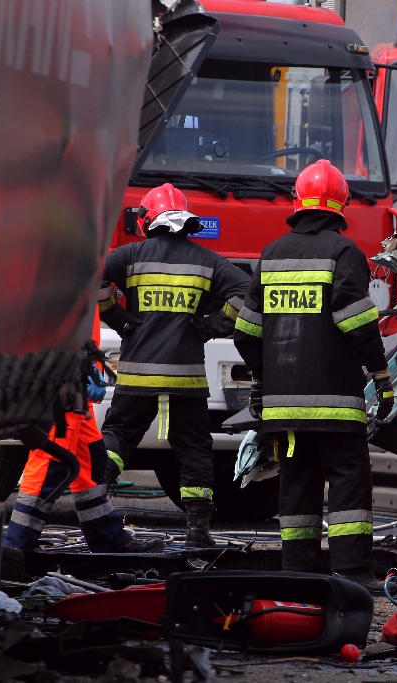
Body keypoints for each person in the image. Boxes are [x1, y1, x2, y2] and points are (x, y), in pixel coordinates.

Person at [233, 160, 394, 593]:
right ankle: (352, 576)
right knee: (347, 487)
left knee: (296, 488)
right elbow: (357, 323)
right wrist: (381, 375)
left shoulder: (271, 253)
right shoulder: (344, 254)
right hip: (336, 402)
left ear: (298, 202)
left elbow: (246, 331)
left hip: (283, 405)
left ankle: (297, 575)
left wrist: (262, 381)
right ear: (340, 205)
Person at [98, 183, 249, 548]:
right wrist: (212, 326)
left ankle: (95, 511)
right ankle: (198, 531)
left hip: (136, 375)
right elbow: (247, 291)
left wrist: (117, 318)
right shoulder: (207, 260)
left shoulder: (129, 255)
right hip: (187, 380)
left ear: (148, 219)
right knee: (194, 449)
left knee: (117, 439)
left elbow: (92, 277)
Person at [4, 308, 165, 554]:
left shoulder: (81, 273)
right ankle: (16, 545)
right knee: (51, 459)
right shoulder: (64, 271)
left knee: (89, 458)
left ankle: (107, 536)